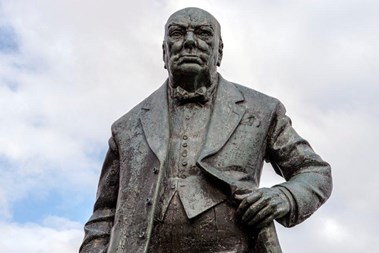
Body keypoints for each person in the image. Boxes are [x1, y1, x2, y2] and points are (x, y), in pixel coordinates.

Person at [80, 7, 332, 253]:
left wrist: (285, 197)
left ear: (219, 52)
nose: (190, 41)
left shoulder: (262, 110)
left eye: (202, 33)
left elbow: (315, 172)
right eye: (177, 33)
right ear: (164, 53)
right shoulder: (126, 128)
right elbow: (103, 216)